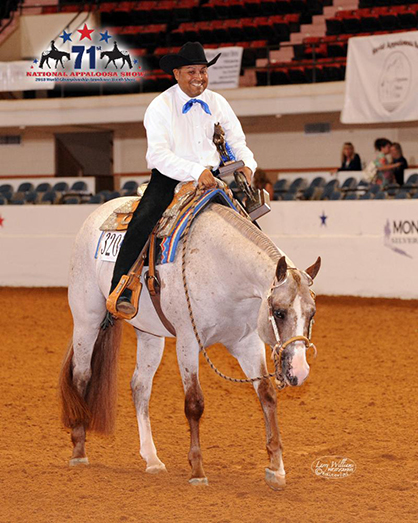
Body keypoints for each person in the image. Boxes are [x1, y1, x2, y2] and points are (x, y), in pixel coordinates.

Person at [108, 42, 257, 315]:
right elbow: (158, 155)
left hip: (212, 178)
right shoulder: (160, 106)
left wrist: (247, 165)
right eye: (191, 71)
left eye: (202, 71)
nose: (199, 77)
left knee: (250, 226)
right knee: (144, 218)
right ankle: (122, 286)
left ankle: (260, 285)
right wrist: (193, 171)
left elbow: (237, 142)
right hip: (170, 177)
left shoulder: (218, 102)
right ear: (176, 74)